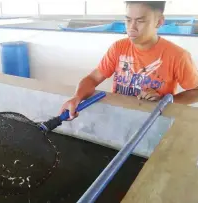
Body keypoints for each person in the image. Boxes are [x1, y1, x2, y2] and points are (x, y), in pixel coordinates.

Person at [60, 1, 198, 119]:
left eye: (140, 21)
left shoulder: (178, 56)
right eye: (128, 20)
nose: (131, 27)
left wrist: (165, 101)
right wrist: (77, 97)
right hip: (120, 117)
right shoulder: (118, 47)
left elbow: (195, 91)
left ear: (159, 21)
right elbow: (93, 78)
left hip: (154, 120)